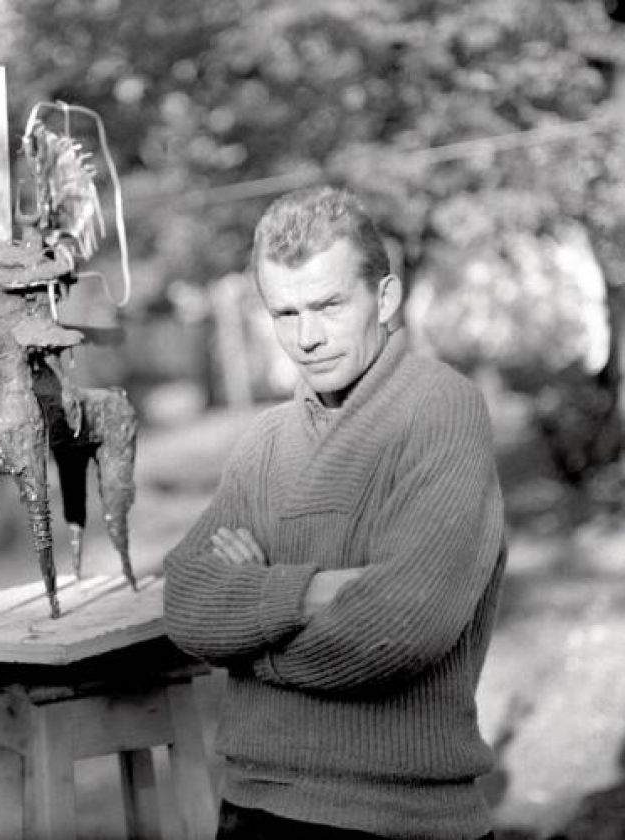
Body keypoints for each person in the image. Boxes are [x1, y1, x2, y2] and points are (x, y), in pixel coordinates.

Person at [163, 185, 506, 840]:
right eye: (285, 313)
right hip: (251, 810)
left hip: (401, 820)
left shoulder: (440, 409)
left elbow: (401, 626)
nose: (307, 338)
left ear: (385, 298)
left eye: (327, 305)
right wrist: (316, 592)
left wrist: (251, 646)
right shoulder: (265, 442)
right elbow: (186, 599)